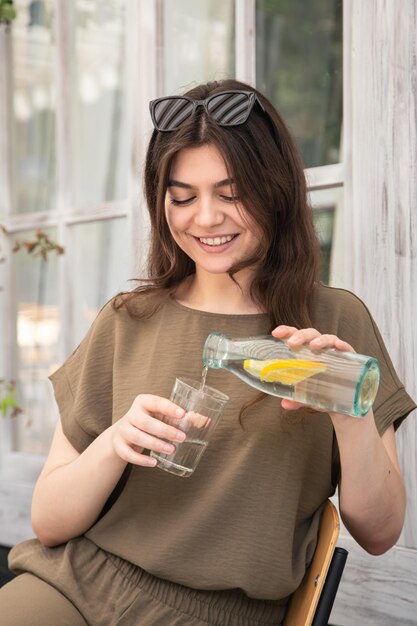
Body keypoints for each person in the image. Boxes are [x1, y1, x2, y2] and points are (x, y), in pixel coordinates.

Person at [0, 79, 415, 626]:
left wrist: (347, 410)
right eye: (182, 196)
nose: (205, 218)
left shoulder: (335, 324)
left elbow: (380, 533)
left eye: (231, 192)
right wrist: (113, 444)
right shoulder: (126, 320)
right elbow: (49, 523)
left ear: (275, 189)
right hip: (79, 585)